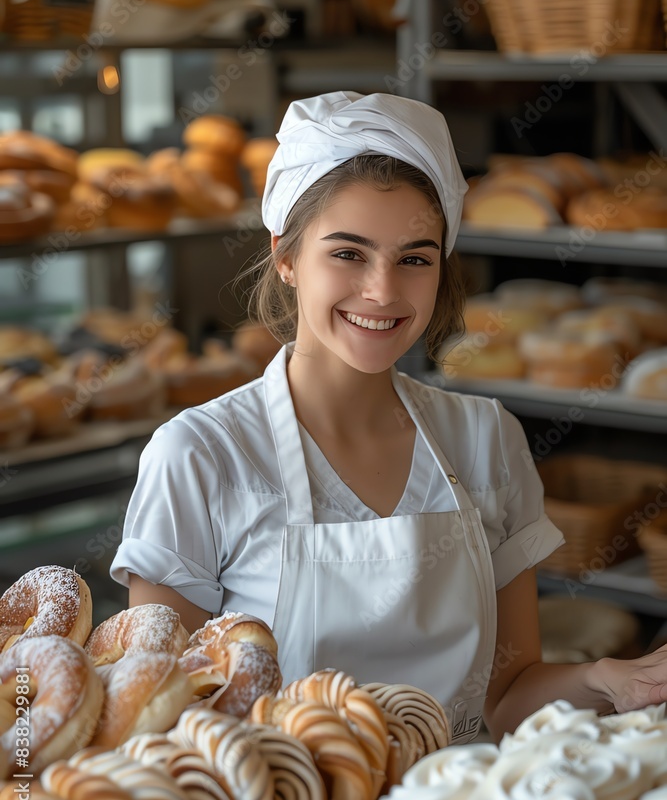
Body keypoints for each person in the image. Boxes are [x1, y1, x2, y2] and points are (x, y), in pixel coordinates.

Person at [110, 90, 667, 743]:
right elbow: (156, 728)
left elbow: (508, 698)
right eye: (347, 253)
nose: (381, 290)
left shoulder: (484, 438)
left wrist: (605, 680)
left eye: (413, 259)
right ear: (286, 257)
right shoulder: (201, 455)